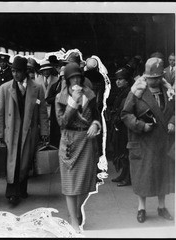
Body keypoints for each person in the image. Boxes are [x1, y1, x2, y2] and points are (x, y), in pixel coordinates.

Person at [121, 57, 175, 223]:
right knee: (143, 176)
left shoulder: (169, 92)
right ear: (146, 76)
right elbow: (125, 114)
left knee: (162, 175)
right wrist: (141, 126)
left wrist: (173, 121)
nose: (156, 81)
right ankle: (141, 208)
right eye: (152, 78)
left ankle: (161, 206)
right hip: (143, 141)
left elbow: (175, 110)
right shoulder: (136, 92)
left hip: (162, 142)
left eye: (159, 78)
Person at [0, 56, 49, 205]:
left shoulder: (37, 89)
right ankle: (12, 193)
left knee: (25, 162)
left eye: (18, 71)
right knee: (12, 162)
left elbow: (42, 111)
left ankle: (22, 189)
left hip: (28, 132)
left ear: (25, 71)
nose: (15, 74)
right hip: (11, 133)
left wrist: (44, 132)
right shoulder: (5, 88)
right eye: (13, 71)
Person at [55, 62, 101, 232]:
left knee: (86, 183)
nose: (76, 80)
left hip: (86, 140)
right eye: (72, 77)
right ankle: (74, 219)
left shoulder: (90, 94)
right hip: (69, 140)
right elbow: (62, 122)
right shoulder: (60, 98)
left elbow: (96, 114)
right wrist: (73, 102)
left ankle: (75, 210)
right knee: (70, 183)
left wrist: (95, 125)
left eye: (78, 77)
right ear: (67, 80)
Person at [110, 68, 133, 187]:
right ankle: (124, 174)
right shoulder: (122, 92)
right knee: (121, 150)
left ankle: (128, 177)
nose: (117, 82)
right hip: (119, 125)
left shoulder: (129, 92)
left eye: (120, 79)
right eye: (117, 79)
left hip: (124, 126)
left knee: (125, 151)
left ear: (127, 81)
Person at [45, 66, 66, 148]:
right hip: (55, 115)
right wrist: (58, 97)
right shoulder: (55, 86)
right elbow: (48, 99)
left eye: (65, 77)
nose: (63, 78)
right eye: (62, 77)